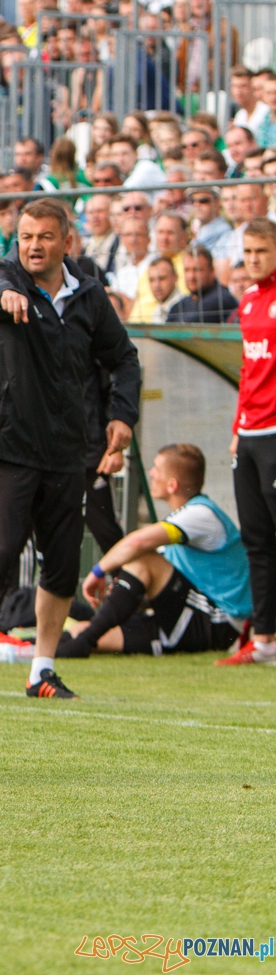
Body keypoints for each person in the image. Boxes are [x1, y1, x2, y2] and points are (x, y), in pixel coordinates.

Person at [0, 200, 141, 700]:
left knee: (61, 564)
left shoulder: (88, 296)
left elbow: (123, 357)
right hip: (8, 444)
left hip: (67, 451)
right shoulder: (2, 276)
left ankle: (42, 668)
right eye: (25, 236)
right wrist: (7, 300)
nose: (33, 245)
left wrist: (123, 415)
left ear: (67, 241)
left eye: (43, 237)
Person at [61, 444, 246, 658]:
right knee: (80, 631)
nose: (150, 473)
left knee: (144, 558)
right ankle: (24, 650)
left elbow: (138, 543)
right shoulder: (182, 518)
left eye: (156, 468)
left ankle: (83, 643)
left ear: (172, 485)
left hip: (217, 622)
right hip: (189, 618)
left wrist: (98, 572)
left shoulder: (200, 514)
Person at [227, 219, 276, 666]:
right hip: (251, 434)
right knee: (257, 539)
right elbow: (248, 371)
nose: (253, 259)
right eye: (248, 252)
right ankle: (264, 640)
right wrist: (237, 428)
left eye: (261, 251)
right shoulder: (248, 303)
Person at [166, 245, 239, 323]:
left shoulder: (222, 299)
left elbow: (190, 323)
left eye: (197, 270)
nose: (191, 276)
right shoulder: (180, 306)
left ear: (211, 270)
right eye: (187, 270)